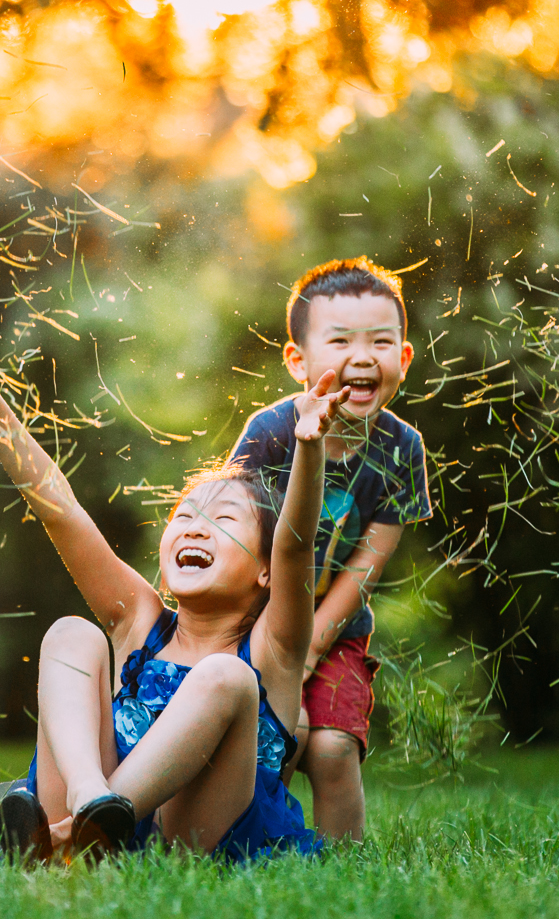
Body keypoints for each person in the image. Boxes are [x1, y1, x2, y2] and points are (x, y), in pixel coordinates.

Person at [0, 318, 348, 863]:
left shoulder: (275, 647)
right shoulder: (140, 622)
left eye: (225, 520)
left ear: (265, 572)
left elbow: (296, 546)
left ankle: (75, 835)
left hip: (196, 840)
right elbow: (61, 512)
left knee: (226, 677)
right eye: (184, 516)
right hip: (93, 801)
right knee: (70, 635)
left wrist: (309, 448)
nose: (196, 527)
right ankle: (86, 807)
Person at [230, 257, 433, 842]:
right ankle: (252, 844)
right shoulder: (269, 433)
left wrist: (315, 642)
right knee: (280, 735)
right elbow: (233, 531)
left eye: (381, 341)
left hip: (337, 630)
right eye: (340, 340)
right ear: (299, 360)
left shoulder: (401, 449)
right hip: (258, 621)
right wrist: (279, 647)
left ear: (404, 357)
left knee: (334, 746)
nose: (363, 355)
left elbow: (369, 562)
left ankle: (341, 871)